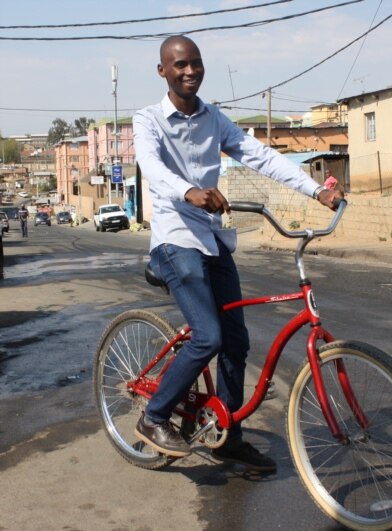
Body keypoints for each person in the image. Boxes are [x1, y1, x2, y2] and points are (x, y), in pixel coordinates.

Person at [133, 35, 343, 472]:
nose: (189, 71)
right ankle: (153, 418)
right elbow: (152, 167)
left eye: (195, 63)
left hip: (210, 236)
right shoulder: (148, 119)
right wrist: (189, 191)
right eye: (179, 65)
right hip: (174, 239)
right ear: (163, 71)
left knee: (236, 341)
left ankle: (226, 438)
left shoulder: (215, 119)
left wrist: (315, 191)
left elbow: (260, 156)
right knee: (207, 337)